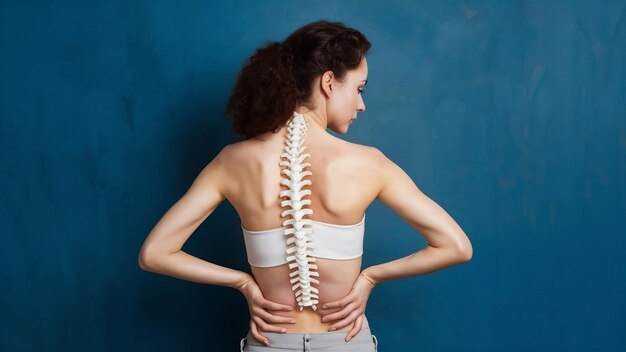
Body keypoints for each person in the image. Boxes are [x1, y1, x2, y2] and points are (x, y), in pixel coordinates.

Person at [138, 20, 473, 351]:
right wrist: (371, 278)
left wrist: (243, 283)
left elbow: (155, 253)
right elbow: (456, 246)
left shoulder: (233, 162)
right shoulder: (369, 164)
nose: (361, 105)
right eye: (359, 88)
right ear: (329, 82)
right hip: (345, 343)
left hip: (270, 343)